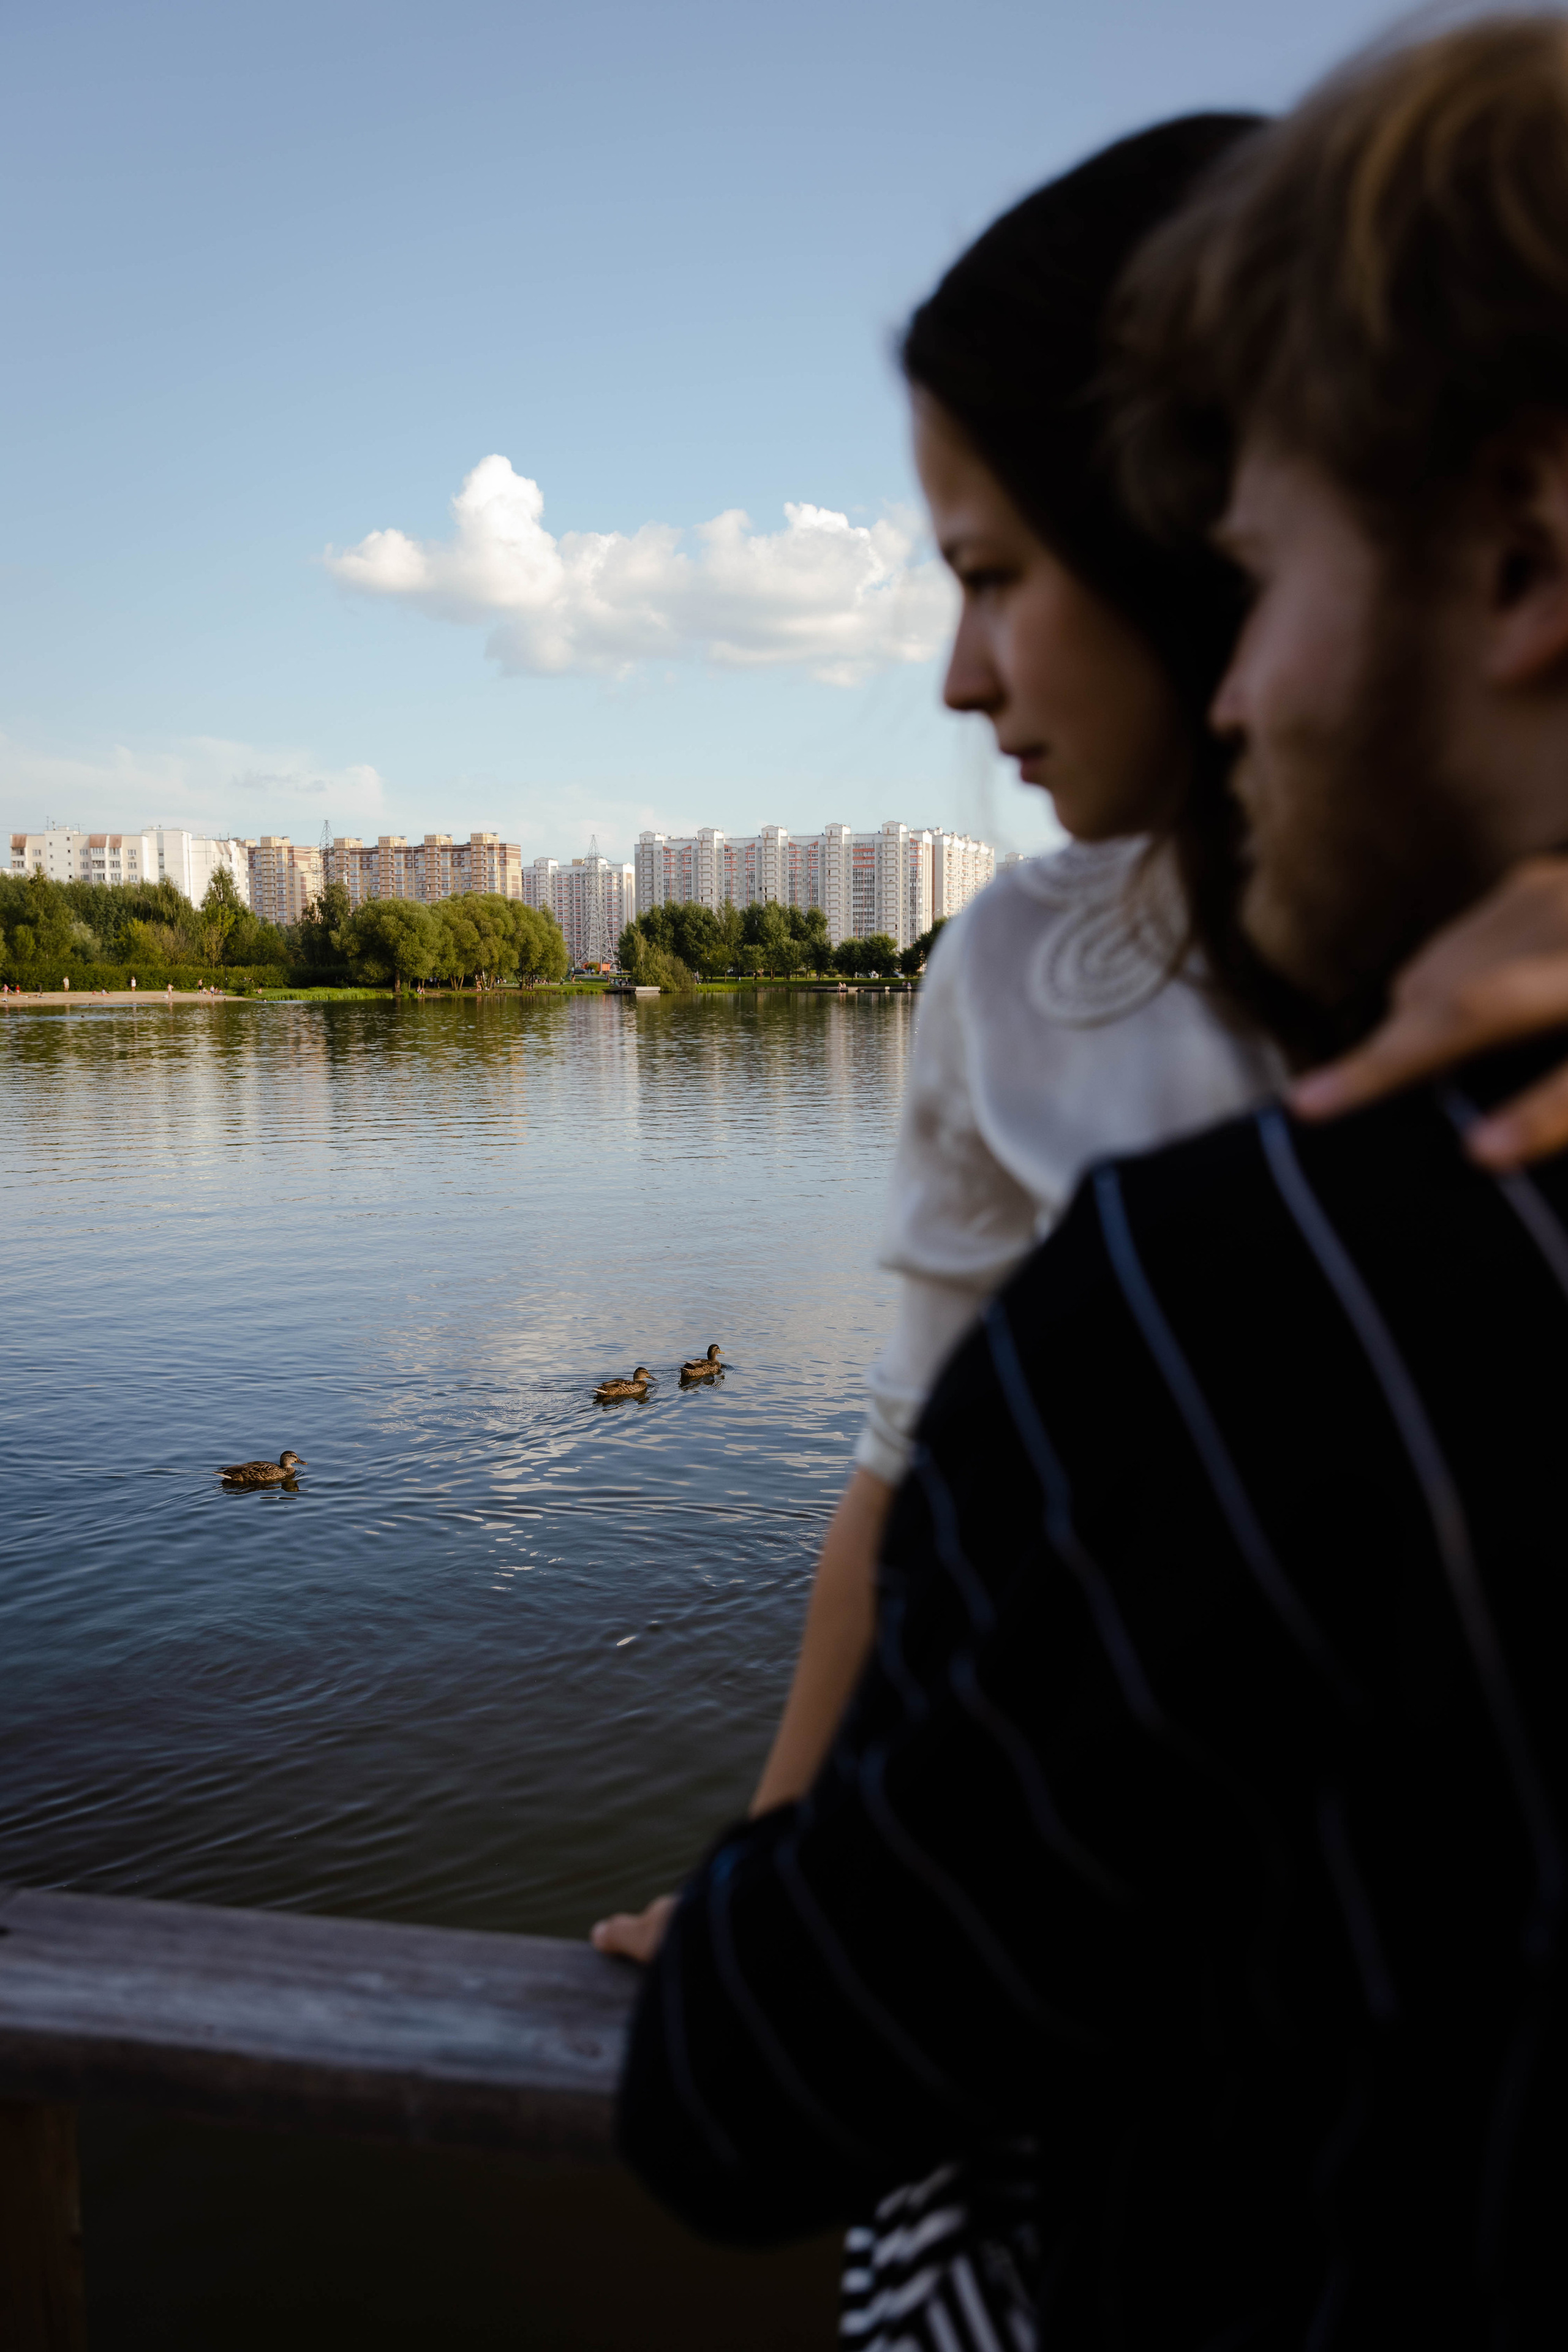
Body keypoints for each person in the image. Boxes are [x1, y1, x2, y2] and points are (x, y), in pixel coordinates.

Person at [616, 20, 1568, 2345]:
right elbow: (901, 1461)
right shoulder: (1027, 987)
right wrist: (785, 1822)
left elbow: (755, 2087)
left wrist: (785, 1905)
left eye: (1258, 570)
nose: (961, 678)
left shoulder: (1221, 1302)